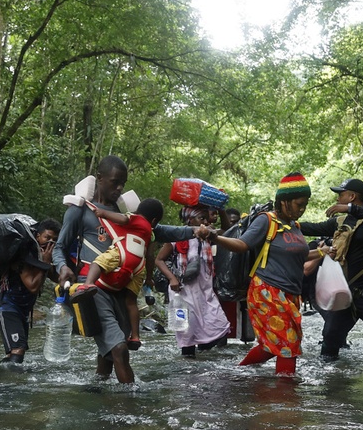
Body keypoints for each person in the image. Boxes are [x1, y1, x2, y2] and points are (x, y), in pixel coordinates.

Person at [52, 155, 207, 383]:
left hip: (123, 290)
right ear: (100, 178)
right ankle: (130, 409)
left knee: (107, 354)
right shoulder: (81, 211)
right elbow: (60, 247)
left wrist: (194, 231)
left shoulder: (125, 213)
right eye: (115, 182)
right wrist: (62, 266)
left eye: (122, 183)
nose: (119, 187)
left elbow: (160, 231)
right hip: (93, 288)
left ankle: (96, 391)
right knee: (119, 349)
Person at [204, 172, 331, 377]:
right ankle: (285, 398)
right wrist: (215, 238)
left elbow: (300, 254)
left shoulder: (295, 226)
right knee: (287, 345)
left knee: (271, 345)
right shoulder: (266, 221)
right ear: (284, 202)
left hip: (290, 294)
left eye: (305, 204)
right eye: (299, 204)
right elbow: (242, 244)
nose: (302, 209)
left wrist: (324, 252)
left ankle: (238, 374)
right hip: (267, 291)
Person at [298, 178, 363, 362]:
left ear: (352, 196)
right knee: (330, 339)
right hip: (346, 292)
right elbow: (311, 227)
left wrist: (351, 209)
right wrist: (285, 221)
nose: (337, 199)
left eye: (340, 195)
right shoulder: (341, 222)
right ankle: (332, 382)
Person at [78, 198, 165, 350]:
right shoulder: (150, 234)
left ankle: (88, 284)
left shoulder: (136, 218)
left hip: (123, 253)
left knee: (98, 262)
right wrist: (149, 278)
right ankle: (136, 336)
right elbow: (150, 257)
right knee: (131, 302)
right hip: (139, 266)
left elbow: (124, 219)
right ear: (154, 220)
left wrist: (103, 213)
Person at [155, 204, 231, 358]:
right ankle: (188, 370)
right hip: (182, 293)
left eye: (206, 218)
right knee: (186, 335)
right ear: (190, 221)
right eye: (201, 218)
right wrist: (172, 278)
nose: (206, 222)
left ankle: (204, 362)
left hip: (204, 293)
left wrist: (221, 210)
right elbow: (159, 260)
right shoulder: (176, 238)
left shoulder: (209, 236)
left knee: (218, 327)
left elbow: (227, 230)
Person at [0, 218, 60, 364]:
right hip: (7, 308)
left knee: (14, 352)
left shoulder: (41, 257)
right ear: (38, 236)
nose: (50, 243)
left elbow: (56, 277)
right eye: (47, 237)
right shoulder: (22, 257)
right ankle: (12, 383)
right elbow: (32, 286)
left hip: (23, 310)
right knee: (18, 349)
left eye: (54, 240)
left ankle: (4, 379)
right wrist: (46, 263)